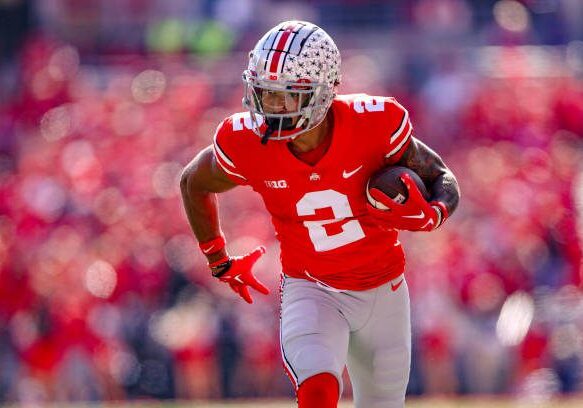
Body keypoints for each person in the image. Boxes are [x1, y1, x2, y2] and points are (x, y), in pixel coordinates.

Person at [180, 20, 460, 408]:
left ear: (323, 91)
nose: (270, 107)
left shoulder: (373, 122)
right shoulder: (246, 140)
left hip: (383, 290)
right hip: (311, 288)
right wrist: (217, 258)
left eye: (285, 96)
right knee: (318, 391)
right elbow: (193, 182)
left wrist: (436, 213)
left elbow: (440, 176)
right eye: (265, 93)